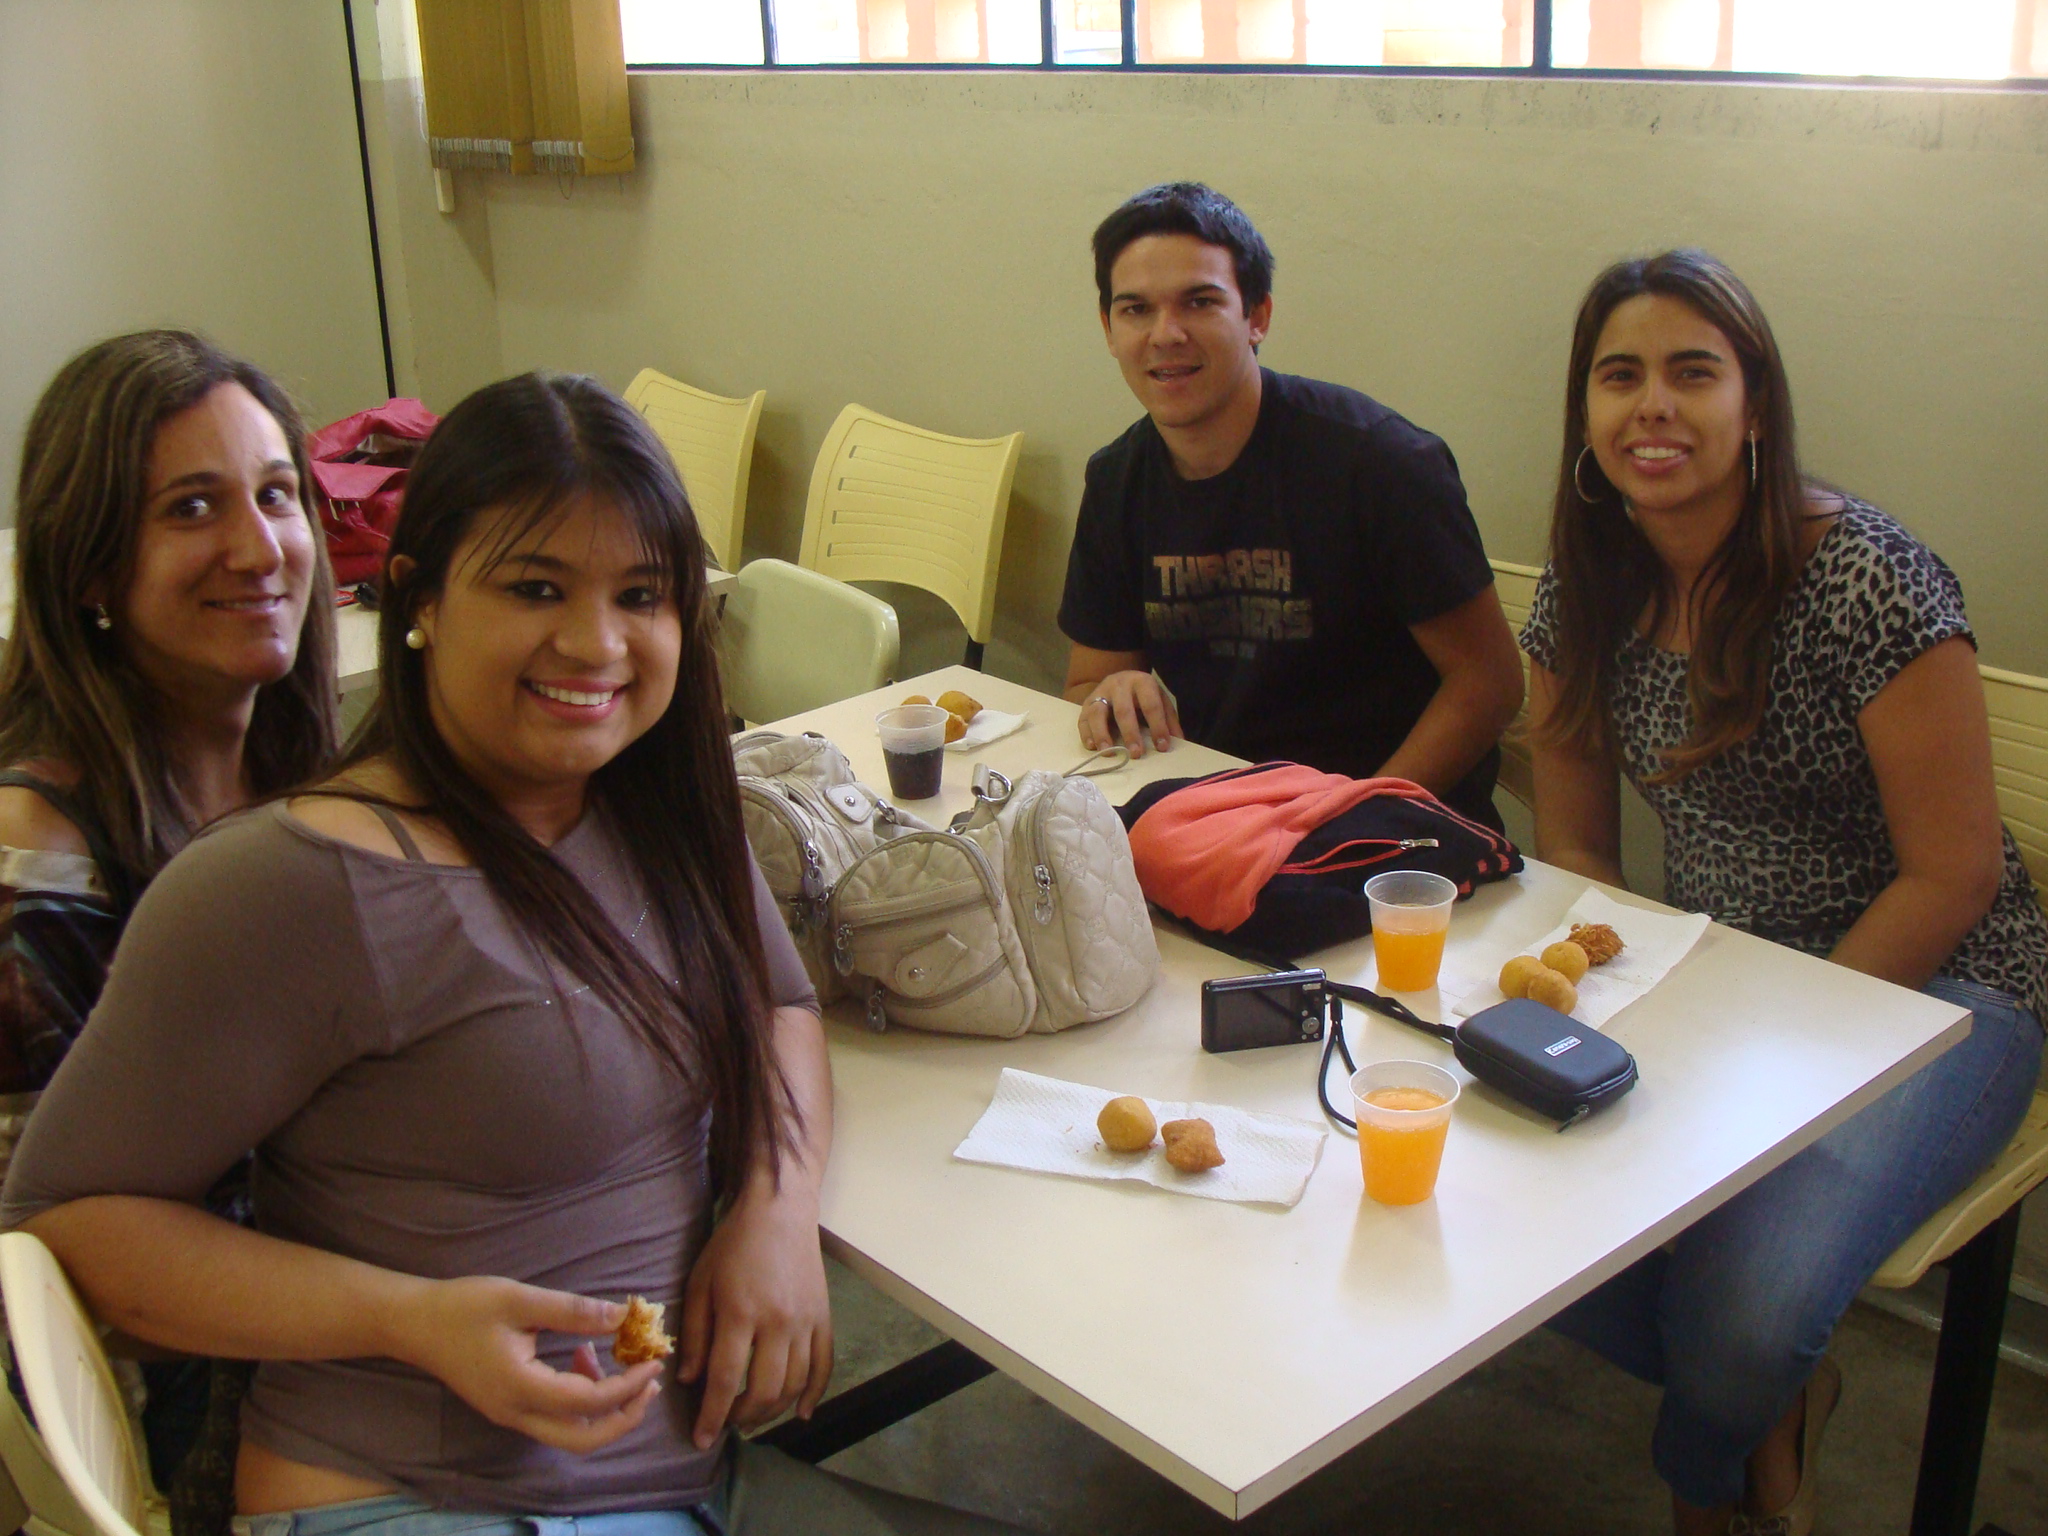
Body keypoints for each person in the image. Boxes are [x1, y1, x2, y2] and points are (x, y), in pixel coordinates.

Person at [0, 374, 1022, 1536]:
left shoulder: (656, 805)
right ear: (420, 600)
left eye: (641, 594)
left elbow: (779, 1006)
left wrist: (774, 1213)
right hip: (415, 1499)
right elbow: (69, 1215)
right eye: (534, 588)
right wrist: (407, 1320)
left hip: (682, 1481)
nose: (594, 642)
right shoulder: (290, 880)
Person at [1521, 250, 2047, 1536]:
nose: (1652, 405)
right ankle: (1761, 1408)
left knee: (1746, 1319)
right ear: (1584, 413)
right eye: (1618, 376)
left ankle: (1718, 1478)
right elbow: (1577, 846)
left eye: (1691, 373)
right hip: (1724, 980)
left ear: (1753, 404)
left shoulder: (1866, 576)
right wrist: (1613, 989)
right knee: (1495, 1208)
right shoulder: (1586, 583)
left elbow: (1954, 871)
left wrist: (1775, 1052)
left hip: (1945, 989)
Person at [0, 329, 339, 1510]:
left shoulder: (287, 779)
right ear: (90, 570)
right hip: (207, 1413)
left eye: (277, 495)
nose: (260, 548)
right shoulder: (36, 878)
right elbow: (65, 1279)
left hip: (339, 1298)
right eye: (193, 508)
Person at [1057, 181, 1523, 828]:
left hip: (1392, 832)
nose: (1166, 334)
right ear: (1109, 329)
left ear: (1258, 316)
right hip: (1225, 817)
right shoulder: (1116, 479)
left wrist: (1347, 815)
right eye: (1136, 310)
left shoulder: (1380, 462)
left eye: (1200, 302)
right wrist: (1112, 695)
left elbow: (1490, 685)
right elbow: (1088, 683)